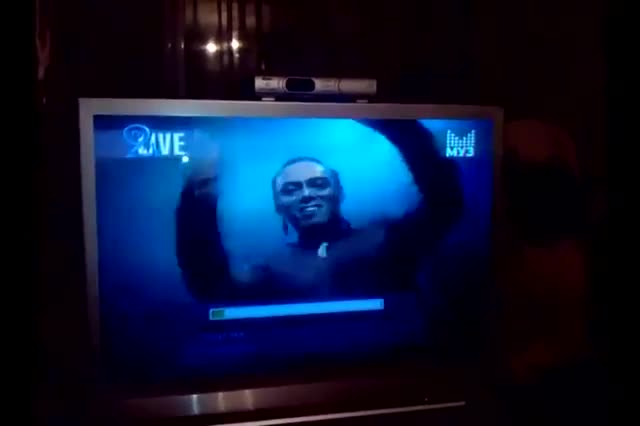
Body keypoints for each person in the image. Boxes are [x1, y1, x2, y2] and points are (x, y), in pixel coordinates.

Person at [176, 120, 464, 303]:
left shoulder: (385, 238)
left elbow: (446, 203)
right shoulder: (272, 267)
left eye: (317, 184)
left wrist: (390, 120)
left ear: (338, 192)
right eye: (291, 189)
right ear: (279, 205)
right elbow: (210, 287)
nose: (306, 195)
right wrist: (201, 189)